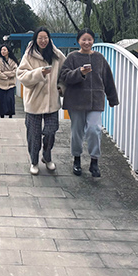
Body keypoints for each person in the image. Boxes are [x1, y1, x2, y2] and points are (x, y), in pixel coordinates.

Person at [59, 28, 119, 177]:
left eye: (89, 39)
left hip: (95, 101)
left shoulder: (99, 58)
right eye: (84, 39)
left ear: (93, 41)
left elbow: (108, 79)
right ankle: (77, 159)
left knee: (94, 129)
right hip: (76, 101)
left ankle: (94, 161)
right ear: (78, 41)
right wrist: (79, 72)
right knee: (77, 131)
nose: (87, 42)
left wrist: (112, 98)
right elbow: (64, 76)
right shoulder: (72, 57)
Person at [17, 27, 66, 175]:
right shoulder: (29, 55)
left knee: (51, 131)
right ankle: (34, 161)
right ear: (35, 39)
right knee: (34, 134)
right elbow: (21, 75)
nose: (43, 41)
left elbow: (65, 73)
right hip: (34, 101)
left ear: (49, 39)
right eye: (40, 38)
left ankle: (47, 156)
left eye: (45, 38)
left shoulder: (57, 55)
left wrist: (61, 87)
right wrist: (39, 73)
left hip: (52, 101)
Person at [0, 45, 18, 118]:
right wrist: (7, 76)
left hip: (11, 84)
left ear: (8, 51)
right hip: (0, 84)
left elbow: (15, 71)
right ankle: (2, 114)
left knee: (10, 99)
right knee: (1, 100)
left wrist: (4, 73)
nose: (3, 51)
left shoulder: (13, 61)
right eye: (2, 50)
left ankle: (10, 114)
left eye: (4, 50)